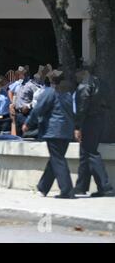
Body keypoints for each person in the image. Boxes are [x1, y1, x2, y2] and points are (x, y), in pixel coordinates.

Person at [23, 71, 75, 199]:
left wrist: (28, 123)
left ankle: (67, 190)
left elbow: (38, 109)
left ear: (51, 81)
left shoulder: (50, 92)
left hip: (54, 131)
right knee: (55, 159)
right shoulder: (68, 95)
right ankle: (42, 188)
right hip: (66, 131)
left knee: (57, 160)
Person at [74, 65, 115, 197]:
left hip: (89, 121)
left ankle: (106, 187)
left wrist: (77, 127)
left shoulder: (84, 86)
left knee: (90, 153)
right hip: (100, 120)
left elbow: (81, 108)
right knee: (85, 153)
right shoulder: (101, 83)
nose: (76, 76)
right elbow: (108, 102)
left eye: (78, 73)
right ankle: (81, 186)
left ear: (83, 72)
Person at [13, 67, 41, 137]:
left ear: (25, 74)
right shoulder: (19, 84)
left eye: (20, 73)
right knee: (18, 138)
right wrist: (13, 104)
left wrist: (29, 106)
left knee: (27, 136)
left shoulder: (32, 85)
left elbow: (39, 98)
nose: (18, 75)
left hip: (26, 114)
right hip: (18, 114)